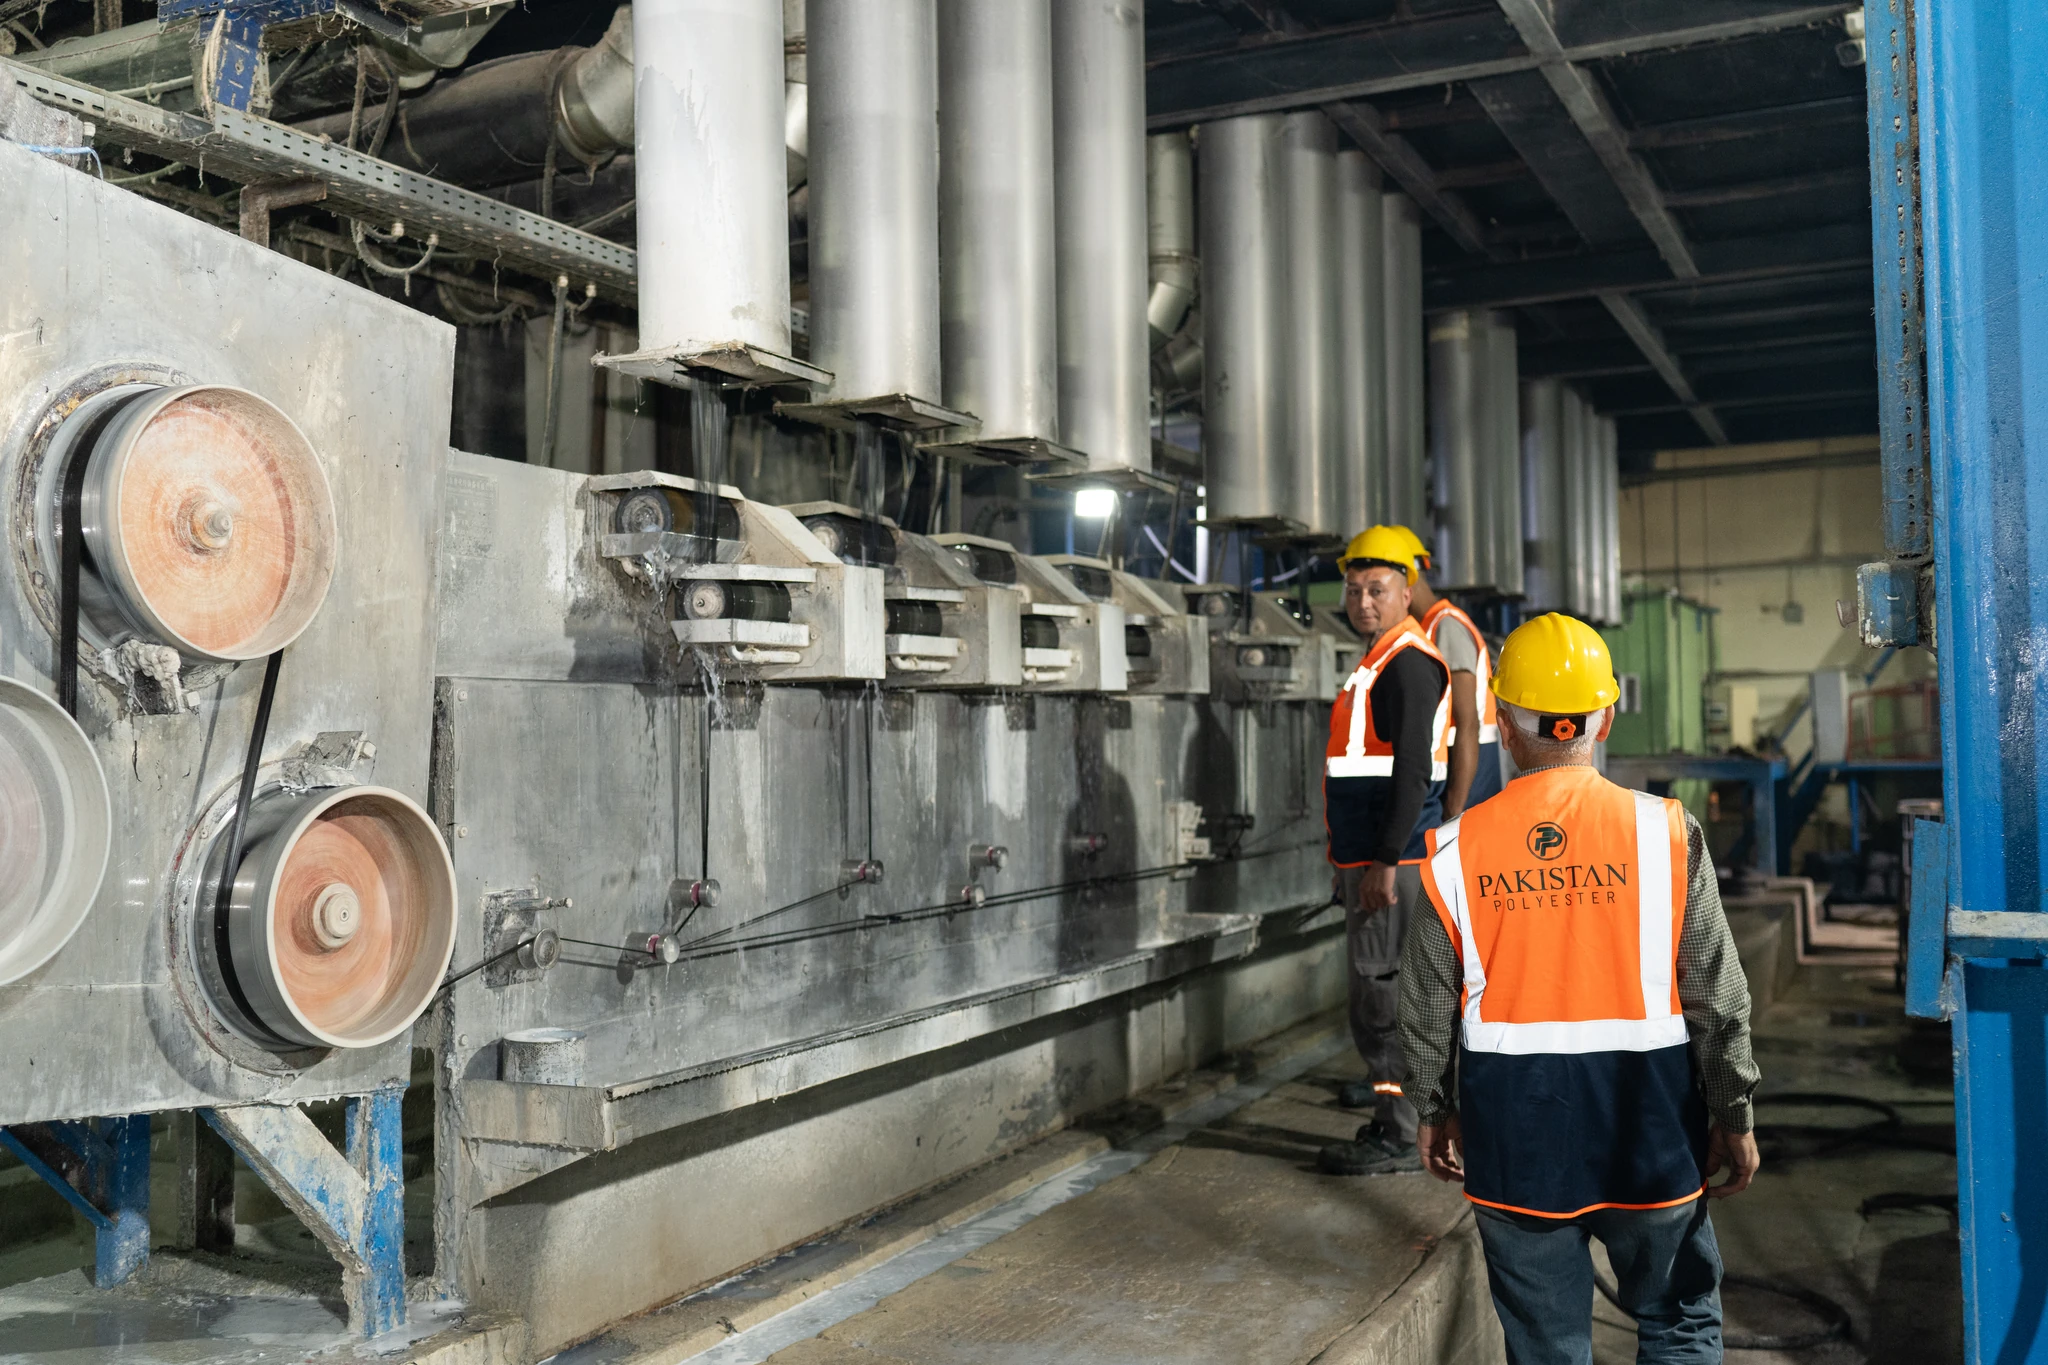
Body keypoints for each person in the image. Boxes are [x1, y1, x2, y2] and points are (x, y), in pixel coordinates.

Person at [1398, 613, 1761, 1365]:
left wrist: (1431, 1107)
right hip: (1651, 1124)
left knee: (1547, 1347)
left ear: (1503, 725)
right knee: (1679, 1321)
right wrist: (1733, 1111)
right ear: (1606, 718)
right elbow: (1716, 995)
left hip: (1515, 1134)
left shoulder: (1453, 852)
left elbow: (1427, 1006)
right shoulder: (1664, 831)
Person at [1316, 526, 1450, 1176]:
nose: (1363, 600)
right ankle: (1397, 1120)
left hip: (1392, 866)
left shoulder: (1406, 663)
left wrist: (1384, 861)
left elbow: (1413, 773)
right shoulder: (1381, 659)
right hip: (1374, 861)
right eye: (1353, 589)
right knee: (1384, 996)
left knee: (1383, 1001)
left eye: (1377, 589)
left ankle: (1399, 1132)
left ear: (1405, 592)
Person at [1391, 524, 1504, 817]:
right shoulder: (1426, 628)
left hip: (1468, 782)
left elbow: (1468, 723)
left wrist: (1454, 808)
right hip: (1456, 775)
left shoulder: (1446, 627)